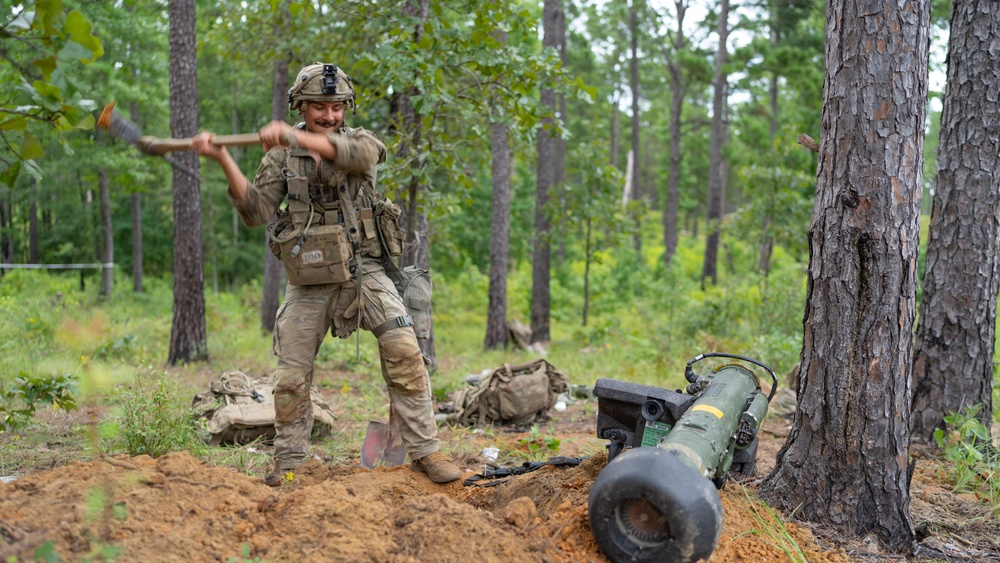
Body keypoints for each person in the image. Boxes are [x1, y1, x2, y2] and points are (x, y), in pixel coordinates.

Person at [191, 62, 461, 486]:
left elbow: (362, 157)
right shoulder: (280, 157)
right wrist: (223, 157)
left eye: (337, 107)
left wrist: (294, 135)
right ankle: (290, 463)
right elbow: (255, 212)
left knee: (405, 351)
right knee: (291, 376)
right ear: (301, 105)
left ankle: (427, 451)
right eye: (318, 106)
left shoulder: (361, 142)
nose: (329, 116)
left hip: (365, 271)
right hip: (309, 280)